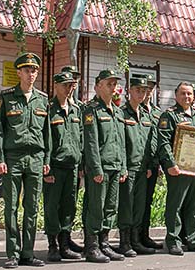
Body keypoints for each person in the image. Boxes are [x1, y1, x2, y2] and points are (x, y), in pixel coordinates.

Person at [0, 53, 50, 268]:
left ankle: (28, 253)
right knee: (12, 208)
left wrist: (47, 159)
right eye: (27, 70)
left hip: (36, 158)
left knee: (32, 208)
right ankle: (13, 253)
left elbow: (47, 134)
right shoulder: (6, 97)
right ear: (18, 72)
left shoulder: (42, 99)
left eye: (34, 70)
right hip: (13, 159)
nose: (31, 74)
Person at [157, 81, 195, 256]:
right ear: (176, 96)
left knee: (193, 206)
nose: (186, 97)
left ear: (194, 96)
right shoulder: (169, 115)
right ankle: (173, 240)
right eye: (183, 93)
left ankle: (194, 239)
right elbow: (163, 142)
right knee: (175, 206)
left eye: (189, 94)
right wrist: (170, 164)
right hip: (178, 169)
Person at [82, 69, 128, 263]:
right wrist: (96, 169)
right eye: (108, 83)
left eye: (114, 84)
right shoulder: (91, 110)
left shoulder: (118, 111)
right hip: (100, 169)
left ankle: (105, 244)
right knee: (96, 207)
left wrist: (124, 166)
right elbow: (91, 143)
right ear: (97, 86)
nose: (113, 87)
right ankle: (91, 246)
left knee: (110, 207)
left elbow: (121, 142)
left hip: (116, 166)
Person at [43, 71, 83, 262]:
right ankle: (53, 245)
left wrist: (81, 163)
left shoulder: (76, 109)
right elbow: (44, 140)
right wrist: (47, 167)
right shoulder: (49, 109)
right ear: (56, 86)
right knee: (52, 206)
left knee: (69, 206)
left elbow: (80, 138)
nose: (69, 89)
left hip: (72, 166)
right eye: (65, 85)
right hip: (55, 167)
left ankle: (65, 243)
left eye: (71, 85)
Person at [117, 76, 157, 257]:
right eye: (138, 90)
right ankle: (124, 242)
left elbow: (149, 143)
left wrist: (149, 164)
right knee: (127, 205)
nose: (141, 93)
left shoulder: (147, 114)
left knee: (139, 206)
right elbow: (119, 143)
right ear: (129, 90)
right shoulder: (122, 113)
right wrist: (122, 167)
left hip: (143, 168)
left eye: (144, 90)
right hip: (129, 168)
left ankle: (136, 240)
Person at [138, 74, 163, 251]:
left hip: (153, 164)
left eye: (151, 88)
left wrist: (159, 163)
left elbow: (160, 140)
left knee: (148, 202)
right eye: (145, 88)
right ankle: (134, 237)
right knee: (136, 203)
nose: (148, 91)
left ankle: (144, 235)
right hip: (138, 165)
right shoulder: (133, 109)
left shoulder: (157, 112)